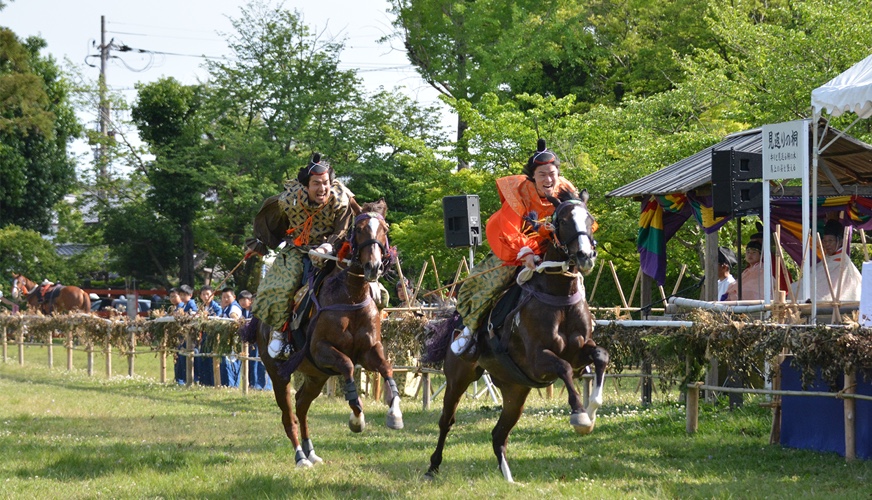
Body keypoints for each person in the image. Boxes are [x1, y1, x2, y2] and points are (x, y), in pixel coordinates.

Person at [451, 139, 579, 357]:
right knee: (493, 282)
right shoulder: (518, 190)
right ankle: (470, 329)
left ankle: (582, 333)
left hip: (553, 244)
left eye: (552, 173)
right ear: (532, 177)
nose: (549, 180)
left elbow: (579, 219)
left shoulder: (566, 190)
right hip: (515, 246)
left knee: (575, 277)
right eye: (542, 175)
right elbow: (510, 227)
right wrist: (526, 253)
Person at [245, 152, 357, 360]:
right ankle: (279, 332)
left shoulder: (342, 200)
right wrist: (264, 240)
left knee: (361, 280)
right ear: (307, 185)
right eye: (316, 183)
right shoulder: (288, 200)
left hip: (332, 251)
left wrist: (327, 246)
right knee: (282, 286)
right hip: (298, 250)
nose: (322, 188)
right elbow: (277, 224)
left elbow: (342, 230)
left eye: (325, 183)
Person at [793, 219, 862, 302]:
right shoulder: (829, 258)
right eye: (825, 241)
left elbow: (821, 286)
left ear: (840, 242)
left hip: (841, 306)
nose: (827, 244)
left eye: (830, 241)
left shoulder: (841, 261)